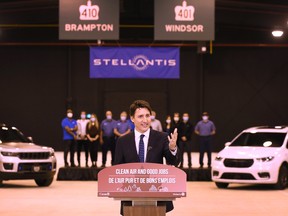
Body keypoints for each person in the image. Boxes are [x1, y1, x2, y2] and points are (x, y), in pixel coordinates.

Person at [115, 100, 180, 215]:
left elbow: (173, 161)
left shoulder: (162, 137)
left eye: (147, 116)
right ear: (132, 118)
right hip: (131, 199)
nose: (145, 120)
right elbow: (118, 169)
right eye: (140, 116)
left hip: (157, 197)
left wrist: (173, 148)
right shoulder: (123, 141)